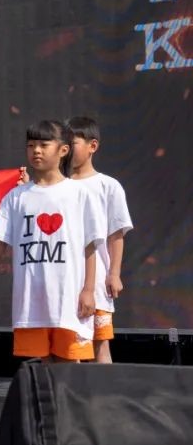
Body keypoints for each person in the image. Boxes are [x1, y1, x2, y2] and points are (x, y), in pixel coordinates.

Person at [0, 120, 106, 362]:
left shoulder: (80, 194)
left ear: (63, 150)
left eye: (43, 145)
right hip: (30, 304)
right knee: (40, 366)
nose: (36, 150)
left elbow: (90, 247)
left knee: (69, 365)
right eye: (31, 145)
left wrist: (89, 291)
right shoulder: (15, 197)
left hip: (68, 301)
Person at [66, 116, 133, 364]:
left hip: (95, 282)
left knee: (99, 342)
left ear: (92, 146)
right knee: (68, 345)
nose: (66, 149)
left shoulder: (108, 186)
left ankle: (103, 389)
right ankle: (70, 388)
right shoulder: (58, 186)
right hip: (64, 279)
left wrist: (114, 273)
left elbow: (116, 234)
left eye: (72, 143)